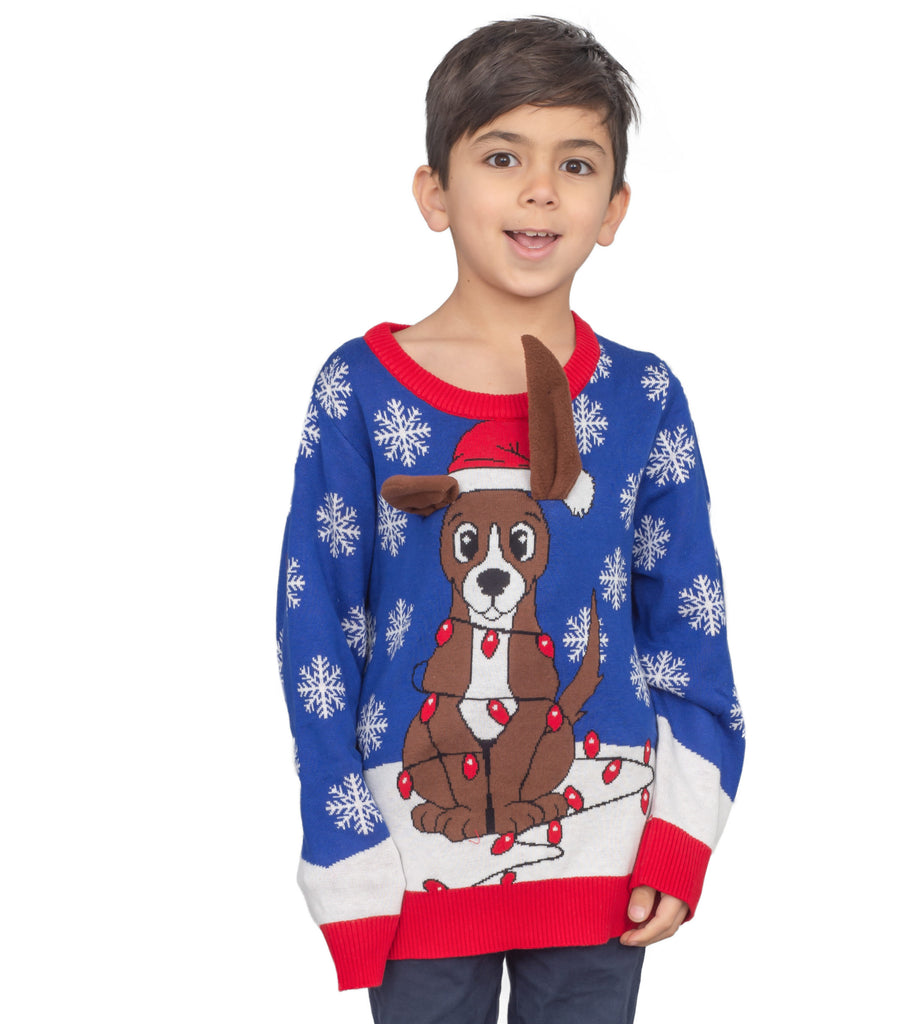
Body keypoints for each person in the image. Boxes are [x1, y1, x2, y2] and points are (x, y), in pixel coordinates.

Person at [276, 16, 744, 1024]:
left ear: (614, 208)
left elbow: (690, 628)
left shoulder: (643, 398)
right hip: (412, 858)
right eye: (502, 157)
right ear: (434, 193)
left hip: (599, 851)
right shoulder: (359, 390)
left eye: (575, 163)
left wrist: (681, 832)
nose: (541, 189)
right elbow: (317, 626)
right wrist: (342, 837)